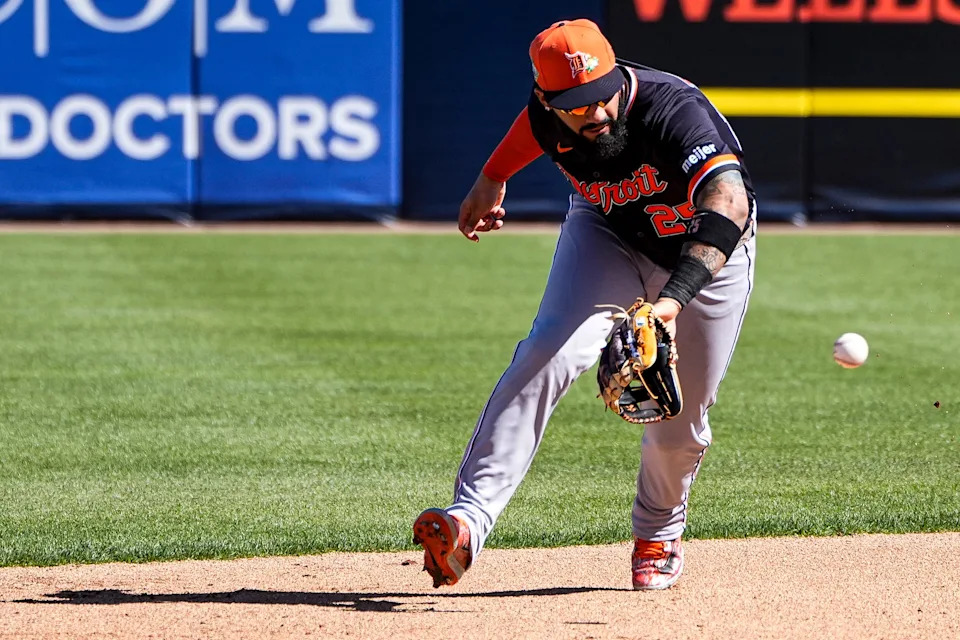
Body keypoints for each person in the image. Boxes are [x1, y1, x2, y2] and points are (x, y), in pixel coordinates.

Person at [412, 18, 756, 591]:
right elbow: (530, 127)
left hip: (706, 254)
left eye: (601, 95)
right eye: (576, 104)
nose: (595, 112)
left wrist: (673, 301)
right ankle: (467, 521)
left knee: (678, 412)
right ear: (551, 100)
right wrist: (492, 177)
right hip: (609, 233)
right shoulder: (549, 112)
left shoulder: (674, 110)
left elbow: (728, 200)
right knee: (547, 352)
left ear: (616, 74)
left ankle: (658, 531)